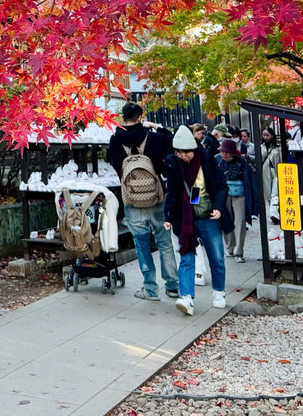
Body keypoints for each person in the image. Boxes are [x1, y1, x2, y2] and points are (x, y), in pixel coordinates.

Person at [108, 101, 180, 301]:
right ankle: (172, 285)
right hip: (157, 196)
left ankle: (150, 289)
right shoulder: (154, 138)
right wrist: (156, 127)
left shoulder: (115, 140)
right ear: (140, 117)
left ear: (123, 117)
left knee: (141, 244)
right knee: (164, 243)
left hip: (132, 199)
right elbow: (173, 142)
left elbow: (117, 167)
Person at [164, 124, 232, 316]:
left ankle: (219, 292)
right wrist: (168, 216)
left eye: (185, 152)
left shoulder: (207, 159)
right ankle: (186, 296)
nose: (182, 155)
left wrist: (218, 207)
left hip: (208, 214)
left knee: (216, 256)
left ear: (193, 149)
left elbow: (221, 186)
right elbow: (173, 192)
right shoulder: (174, 164)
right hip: (185, 216)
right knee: (186, 255)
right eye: (178, 152)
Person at [218, 139, 253, 261]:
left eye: (226, 152)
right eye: (222, 152)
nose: (224, 154)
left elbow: (250, 179)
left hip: (240, 194)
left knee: (240, 221)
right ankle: (229, 248)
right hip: (223, 195)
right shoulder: (218, 160)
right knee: (226, 221)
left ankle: (239, 251)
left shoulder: (242, 162)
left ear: (232, 152)